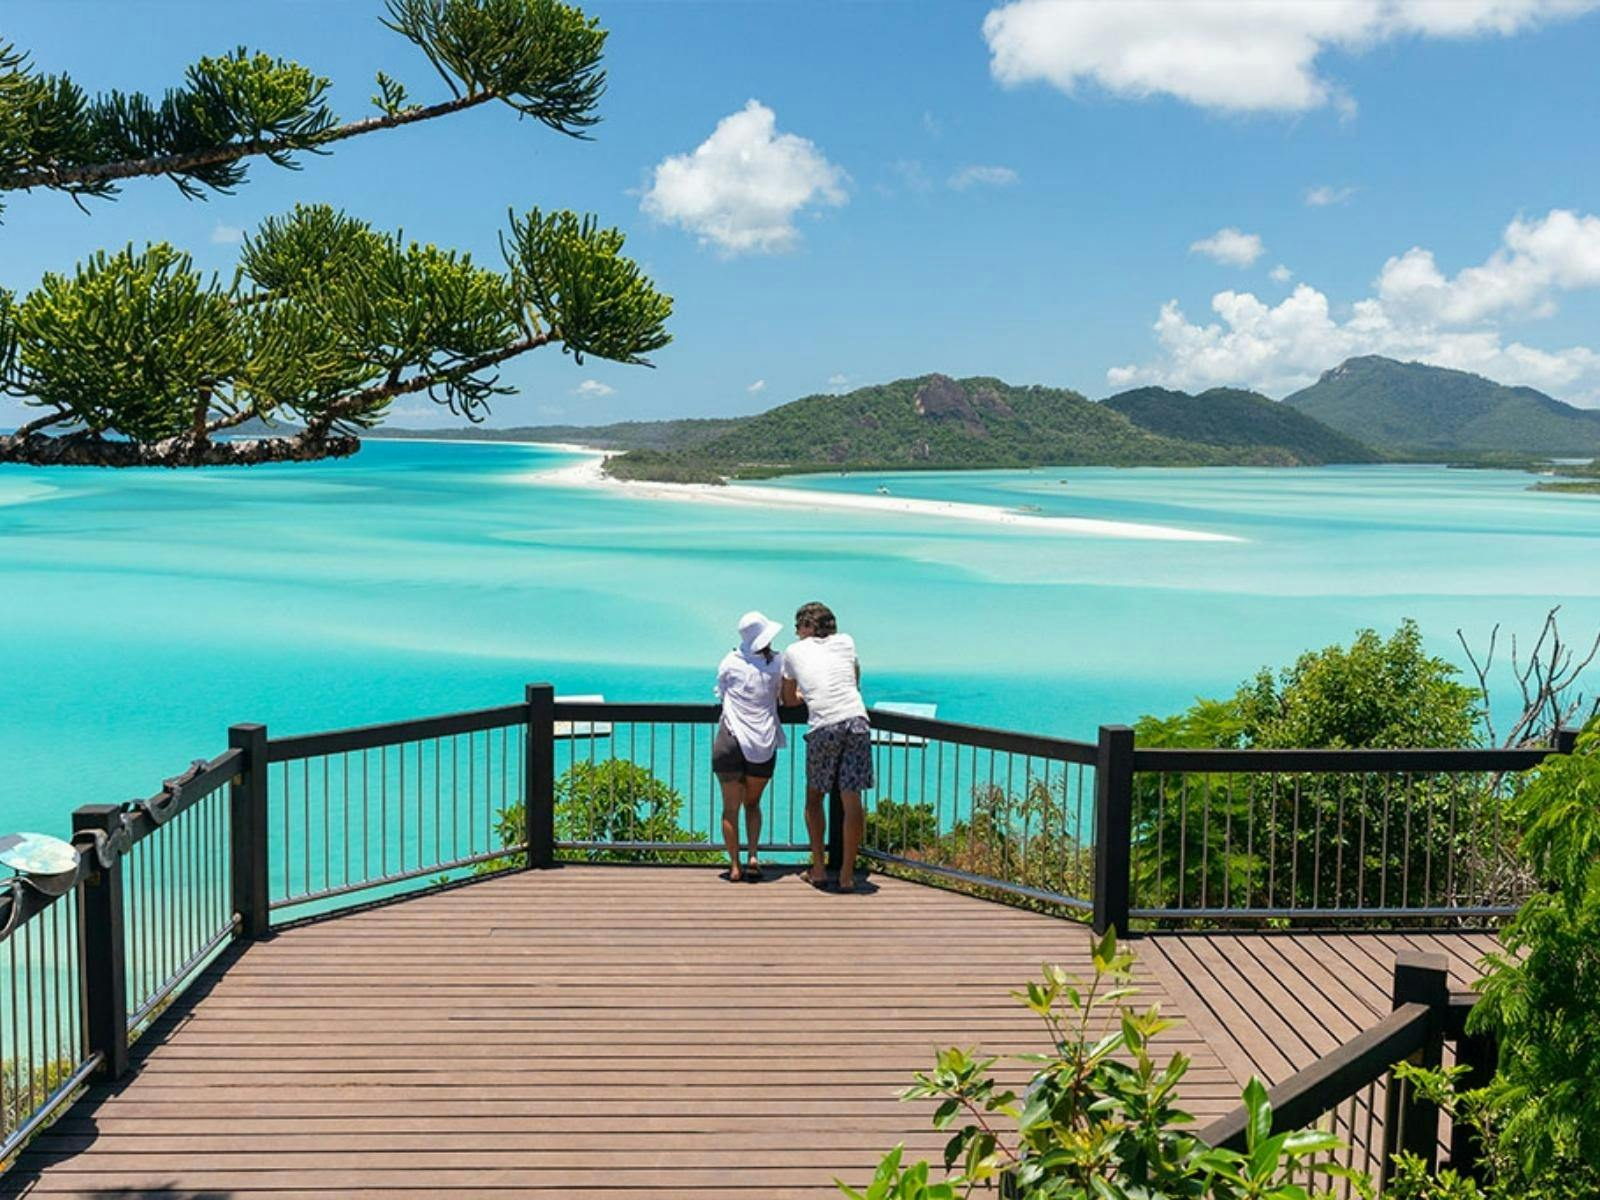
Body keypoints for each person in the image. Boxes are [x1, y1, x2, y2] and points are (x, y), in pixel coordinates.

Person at [781, 601, 872, 892]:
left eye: (798, 626)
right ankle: (846, 875)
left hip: (824, 725)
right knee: (851, 799)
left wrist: (804, 693)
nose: (796, 632)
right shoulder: (846, 642)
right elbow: (854, 681)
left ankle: (818, 869)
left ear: (808, 626)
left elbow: (789, 701)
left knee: (814, 798)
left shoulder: (793, 652)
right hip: (856, 720)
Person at [713, 610, 786, 881]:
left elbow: (720, 692)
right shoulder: (778, 663)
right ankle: (753, 855)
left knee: (729, 808)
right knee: (752, 804)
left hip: (729, 740)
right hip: (762, 743)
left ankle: (734, 866)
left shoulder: (729, 661)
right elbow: (785, 696)